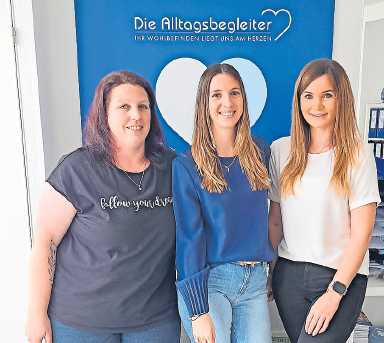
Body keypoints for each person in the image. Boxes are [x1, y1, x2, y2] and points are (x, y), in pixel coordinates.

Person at [25, 71, 180, 343]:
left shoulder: (172, 168)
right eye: (124, 107)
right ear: (104, 114)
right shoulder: (76, 170)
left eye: (143, 107)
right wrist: (36, 312)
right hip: (82, 324)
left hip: (155, 321)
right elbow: (45, 242)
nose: (136, 115)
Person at [268, 59, 380, 343]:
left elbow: (362, 233)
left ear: (341, 99)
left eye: (326, 95)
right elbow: (276, 220)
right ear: (299, 100)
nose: (316, 105)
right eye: (308, 96)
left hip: (341, 277)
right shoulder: (281, 151)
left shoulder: (357, 154)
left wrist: (335, 292)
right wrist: (269, 272)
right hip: (289, 277)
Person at [173, 63, 275, 343]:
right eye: (216, 95)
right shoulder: (187, 166)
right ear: (204, 103)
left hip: (254, 282)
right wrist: (197, 311)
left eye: (234, 93)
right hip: (210, 284)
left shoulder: (260, 154)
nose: (227, 103)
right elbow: (188, 239)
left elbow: (271, 218)